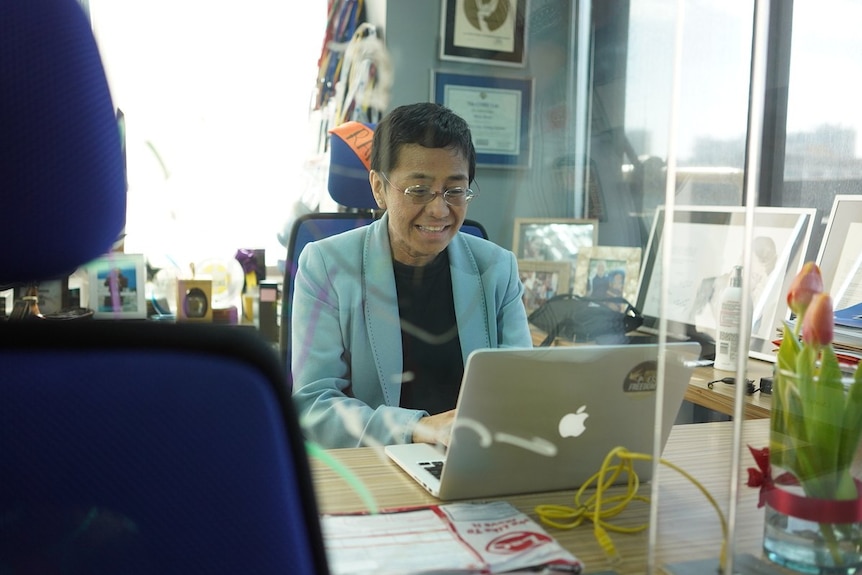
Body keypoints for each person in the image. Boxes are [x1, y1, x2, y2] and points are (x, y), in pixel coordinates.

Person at [291, 102, 533, 449]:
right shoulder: (326, 266)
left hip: (471, 460)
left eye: (454, 190)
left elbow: (523, 388)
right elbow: (313, 404)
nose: (439, 209)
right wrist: (416, 428)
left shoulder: (497, 268)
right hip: (376, 468)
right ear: (379, 187)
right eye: (418, 190)